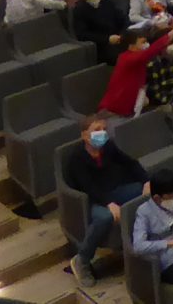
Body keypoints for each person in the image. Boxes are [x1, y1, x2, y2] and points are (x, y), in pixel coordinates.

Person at [61, 113, 148, 279]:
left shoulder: (108, 146)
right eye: (97, 130)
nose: (102, 133)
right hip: (89, 200)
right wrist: (109, 203)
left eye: (104, 129)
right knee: (104, 217)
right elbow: (88, 187)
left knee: (143, 191)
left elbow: (130, 163)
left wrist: (146, 181)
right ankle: (82, 260)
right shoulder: (77, 158)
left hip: (111, 192)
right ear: (85, 135)